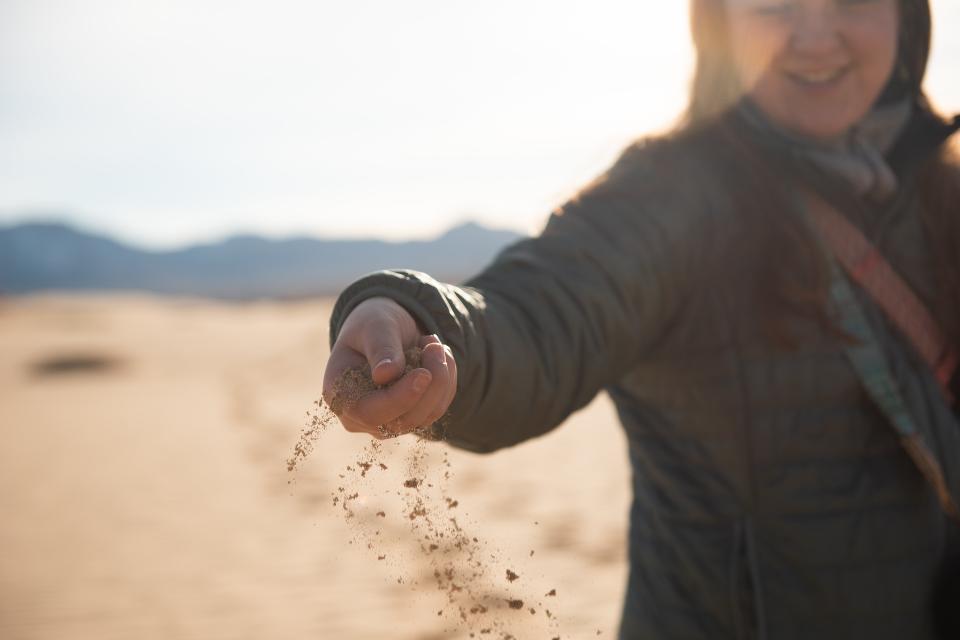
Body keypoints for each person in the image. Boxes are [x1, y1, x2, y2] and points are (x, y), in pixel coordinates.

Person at [323, 0, 960, 637]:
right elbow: (544, 313)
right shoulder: (669, 195)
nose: (815, 35)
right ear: (720, 27)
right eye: (778, 5)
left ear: (906, 18)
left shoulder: (946, 186)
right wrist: (424, 324)